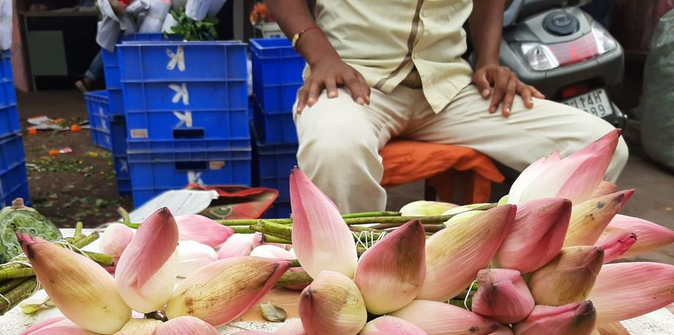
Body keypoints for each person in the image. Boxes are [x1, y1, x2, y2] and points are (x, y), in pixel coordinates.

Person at [266, 0, 629, 213]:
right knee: (335, 150)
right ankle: (352, 273)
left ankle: (528, 259)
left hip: (448, 88)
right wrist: (322, 57)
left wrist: (487, 61)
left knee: (599, 146)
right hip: (353, 80)